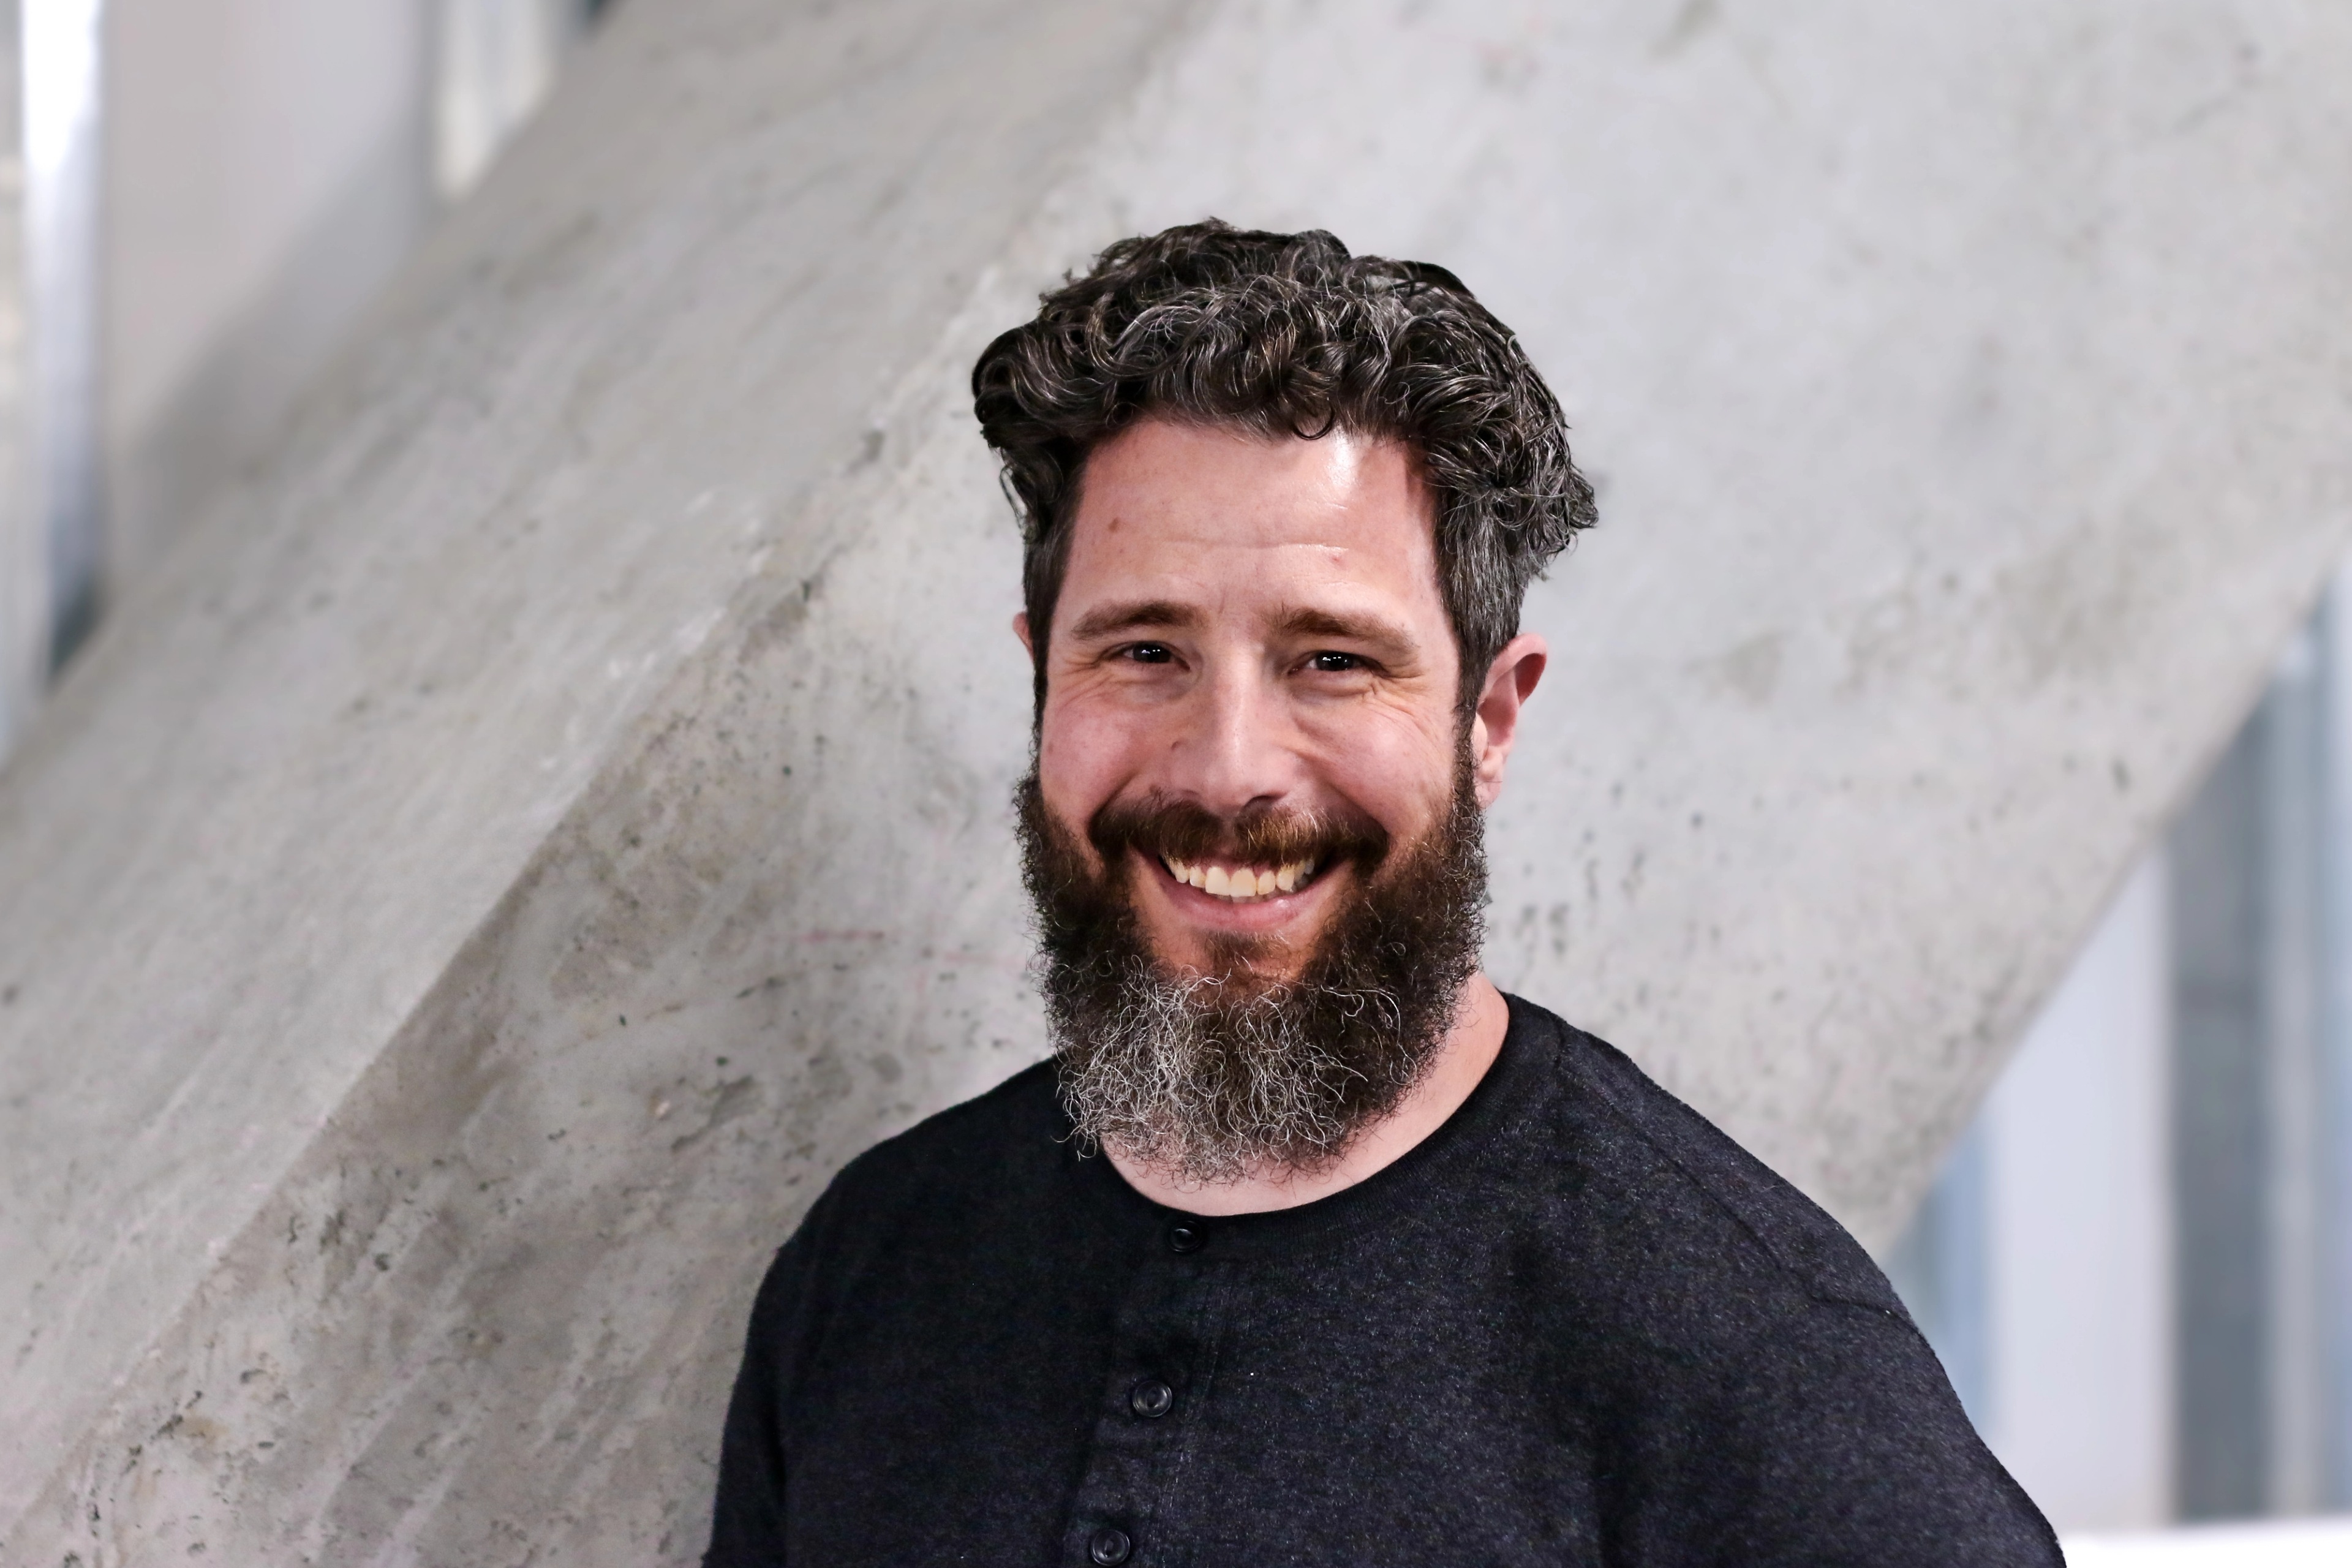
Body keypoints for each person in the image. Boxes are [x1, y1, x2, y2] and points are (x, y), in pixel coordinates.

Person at [702, 221, 2060, 1566]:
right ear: (1042, 682)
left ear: (1490, 717)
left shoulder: (1743, 1353)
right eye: (1144, 649)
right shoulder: (873, 1258)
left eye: (1335, 660)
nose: (1228, 767)